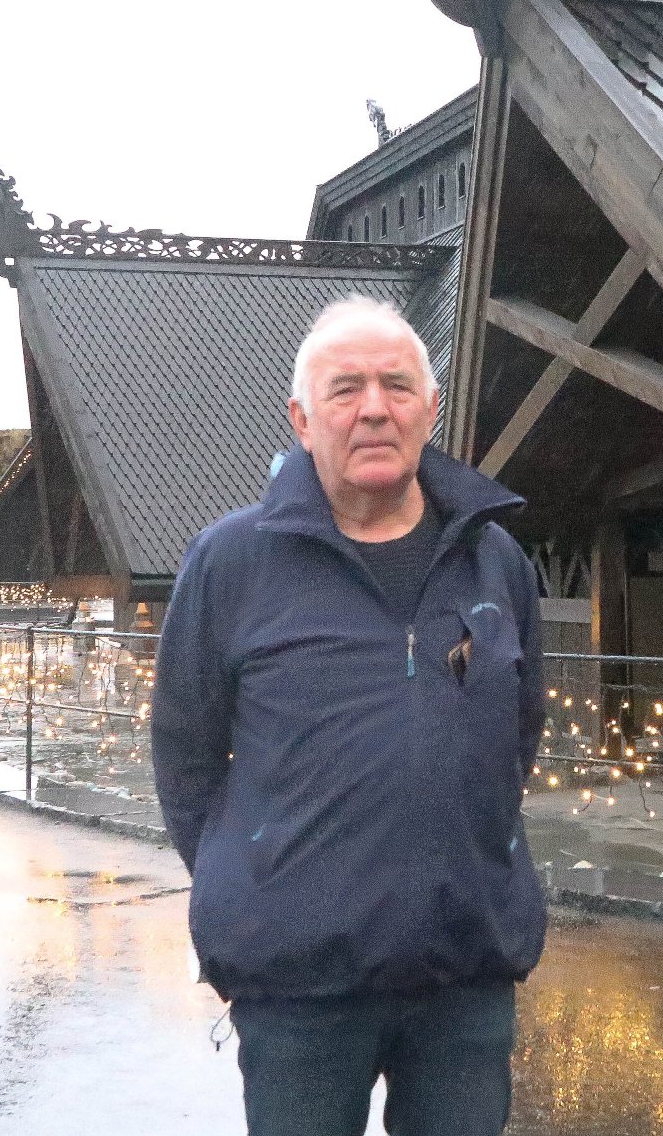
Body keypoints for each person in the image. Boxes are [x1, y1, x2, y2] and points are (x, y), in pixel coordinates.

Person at [152, 295, 547, 1136]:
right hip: (298, 982)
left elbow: (517, 734)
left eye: (397, 386)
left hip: (464, 972)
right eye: (345, 388)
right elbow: (185, 756)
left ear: (429, 409)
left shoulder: (494, 561)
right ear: (301, 419)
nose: (374, 408)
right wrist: (248, 870)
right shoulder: (231, 562)